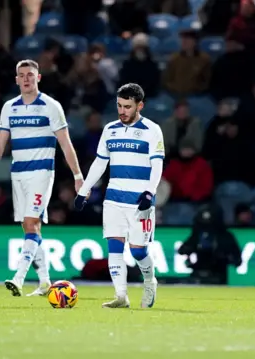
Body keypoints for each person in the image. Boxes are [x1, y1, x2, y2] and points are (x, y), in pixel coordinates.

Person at [0, 59, 84, 297]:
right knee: (29, 227)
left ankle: (19, 277)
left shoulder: (50, 106)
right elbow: (0, 142)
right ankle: (45, 282)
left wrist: (77, 175)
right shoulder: (9, 107)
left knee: (32, 222)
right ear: (16, 79)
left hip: (41, 172)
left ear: (38, 78)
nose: (26, 78)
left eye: (30, 74)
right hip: (19, 173)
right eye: (21, 75)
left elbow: (66, 143)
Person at [73, 83, 165, 308]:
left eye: (127, 106)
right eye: (119, 106)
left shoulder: (152, 130)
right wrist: (84, 190)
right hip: (113, 198)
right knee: (114, 246)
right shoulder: (110, 129)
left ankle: (149, 281)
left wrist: (149, 192)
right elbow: (100, 163)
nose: (122, 111)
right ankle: (121, 296)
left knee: (137, 251)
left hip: (139, 201)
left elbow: (157, 165)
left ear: (139, 106)